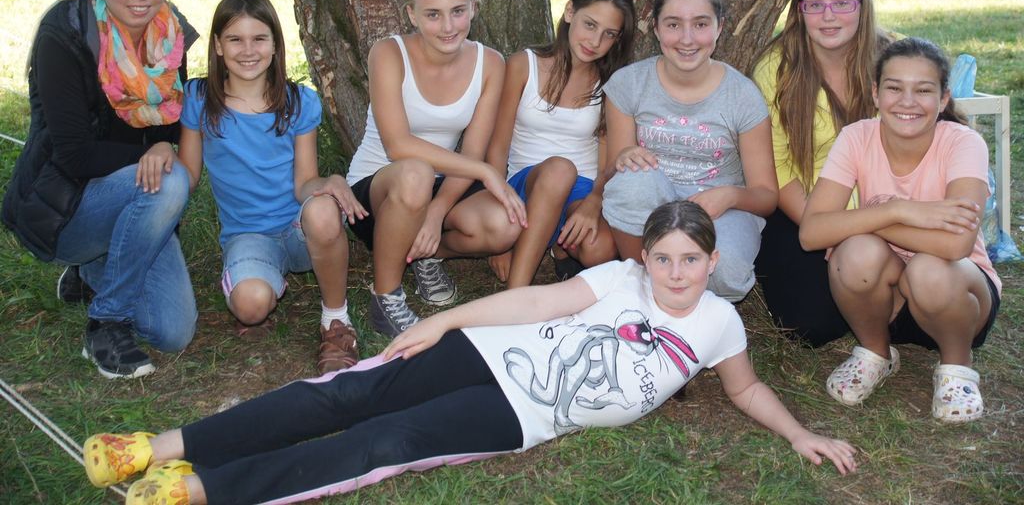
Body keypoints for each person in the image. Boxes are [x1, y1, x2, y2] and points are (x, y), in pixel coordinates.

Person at [82, 200, 856, 504]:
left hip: (520, 416)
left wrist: (800, 433)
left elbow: (746, 390)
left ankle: (200, 491)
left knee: (381, 442)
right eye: (664, 259)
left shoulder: (720, 324)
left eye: (691, 261)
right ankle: (152, 446)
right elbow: (537, 303)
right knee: (345, 394)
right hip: (484, 352)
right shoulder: (620, 277)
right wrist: (444, 323)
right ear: (645, 257)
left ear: (712, 262)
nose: (677, 274)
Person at [2, 0, 197, 379]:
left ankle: (93, 271)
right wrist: (152, 155)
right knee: (170, 178)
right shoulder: (64, 34)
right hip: (65, 209)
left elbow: (170, 125)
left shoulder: (169, 36)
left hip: (137, 196)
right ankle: (106, 323)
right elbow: (74, 155)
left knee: (173, 331)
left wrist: (162, 144)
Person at [800, 38, 1000, 423]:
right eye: (894, 88)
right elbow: (811, 232)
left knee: (927, 268)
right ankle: (876, 353)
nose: (907, 102)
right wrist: (899, 210)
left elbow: (957, 244)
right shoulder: (856, 137)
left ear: (943, 98)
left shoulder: (964, 143)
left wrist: (877, 221)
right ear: (876, 93)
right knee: (855, 253)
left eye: (923, 90)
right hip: (888, 300)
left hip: (958, 299)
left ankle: (957, 366)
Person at [177, 0, 364, 374]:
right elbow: (188, 175)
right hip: (247, 235)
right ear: (218, 45)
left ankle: (335, 320)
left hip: (299, 229)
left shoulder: (298, 102)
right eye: (235, 39)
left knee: (322, 210)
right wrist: (163, 154)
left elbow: (304, 183)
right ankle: (262, 276)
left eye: (259, 38)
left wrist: (329, 182)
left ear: (276, 45)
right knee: (250, 307)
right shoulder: (199, 99)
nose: (248, 50)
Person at [344, 0, 527, 336]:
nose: (448, 26)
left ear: (473, 8)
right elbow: (398, 146)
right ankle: (386, 299)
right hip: (378, 191)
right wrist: (484, 172)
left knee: (505, 225)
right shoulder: (388, 53)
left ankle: (428, 254)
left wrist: (436, 211)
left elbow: (471, 151)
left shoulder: (490, 63)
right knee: (416, 173)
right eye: (433, 14)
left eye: (458, 11)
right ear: (411, 14)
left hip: (441, 185)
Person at [601, 0, 777, 302]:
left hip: (722, 209)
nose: (686, 39)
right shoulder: (629, 84)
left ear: (719, 27)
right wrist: (624, 156)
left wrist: (729, 195)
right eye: (673, 24)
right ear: (655, 28)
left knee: (726, 270)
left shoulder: (742, 95)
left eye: (700, 24)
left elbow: (767, 196)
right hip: (653, 202)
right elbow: (613, 174)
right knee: (632, 183)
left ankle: (698, 311)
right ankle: (641, 288)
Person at [748, 0, 890, 346]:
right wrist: (828, 230)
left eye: (842, 3)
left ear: (862, 6)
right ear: (800, 11)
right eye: (815, 5)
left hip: (883, 203)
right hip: (803, 205)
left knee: (917, 302)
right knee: (811, 324)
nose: (829, 17)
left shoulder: (890, 59)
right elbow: (776, 166)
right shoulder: (775, 69)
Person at [485, 0, 635, 288]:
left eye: (609, 34)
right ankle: (516, 295)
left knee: (599, 249)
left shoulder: (612, 84)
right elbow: (498, 148)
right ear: (569, 12)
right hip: (526, 184)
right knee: (559, 170)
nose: (595, 41)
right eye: (590, 24)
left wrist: (594, 202)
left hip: (581, 190)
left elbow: (607, 162)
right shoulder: (523, 65)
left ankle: (556, 242)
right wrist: (501, 242)